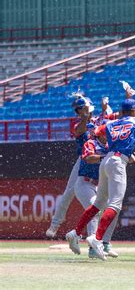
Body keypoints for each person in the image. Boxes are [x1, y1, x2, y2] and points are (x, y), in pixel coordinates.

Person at [65, 99, 135, 260]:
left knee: (98, 203)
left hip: (106, 160)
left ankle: (75, 233)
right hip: (118, 161)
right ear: (134, 111)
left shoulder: (111, 124)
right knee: (115, 204)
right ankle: (97, 238)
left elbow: (96, 132)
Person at [46, 96, 96, 238]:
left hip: (98, 160)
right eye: (78, 109)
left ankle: (96, 238)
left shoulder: (98, 121)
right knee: (69, 192)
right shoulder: (79, 123)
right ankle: (55, 224)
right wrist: (85, 117)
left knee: (97, 199)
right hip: (84, 160)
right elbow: (78, 131)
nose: (79, 111)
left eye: (80, 108)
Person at [74, 131, 119, 258]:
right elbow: (88, 158)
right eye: (106, 133)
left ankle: (105, 243)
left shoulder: (110, 146)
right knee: (94, 208)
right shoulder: (90, 143)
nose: (108, 135)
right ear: (99, 134)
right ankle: (93, 248)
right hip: (85, 183)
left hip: (100, 184)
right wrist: (105, 157)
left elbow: (131, 158)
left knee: (114, 208)